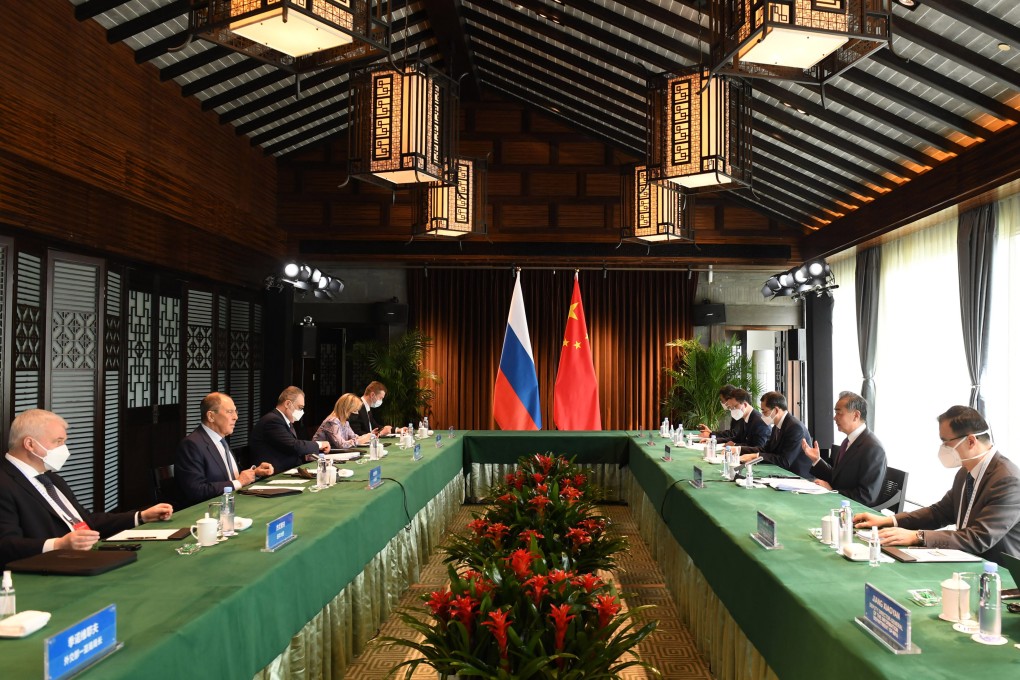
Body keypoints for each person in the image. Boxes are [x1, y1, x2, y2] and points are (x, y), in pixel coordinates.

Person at [0, 409, 174, 567]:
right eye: (58, 441)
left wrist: (140, 516)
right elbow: (6, 545)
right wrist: (58, 544)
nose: (64, 449)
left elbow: (87, 521)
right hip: (47, 568)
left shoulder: (51, 478)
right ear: (30, 444)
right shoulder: (5, 483)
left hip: (86, 558)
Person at [854, 406, 1020, 563]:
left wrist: (918, 536)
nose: (943, 448)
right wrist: (889, 520)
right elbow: (939, 512)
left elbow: (979, 537)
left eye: (946, 442)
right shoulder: (965, 471)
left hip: (997, 571)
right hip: (965, 559)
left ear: (970, 441)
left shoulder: (1008, 480)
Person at [175, 393, 275, 507]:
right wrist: (239, 482)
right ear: (211, 416)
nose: (235, 417)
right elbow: (196, 491)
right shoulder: (191, 445)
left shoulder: (221, 440)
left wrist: (254, 473)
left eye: (235, 411)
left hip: (232, 503)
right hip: (208, 510)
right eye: (229, 412)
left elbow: (229, 477)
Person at [800, 391, 887, 505]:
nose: (834, 418)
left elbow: (866, 496)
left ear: (856, 415)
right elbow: (837, 477)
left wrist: (832, 491)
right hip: (836, 502)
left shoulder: (873, 449)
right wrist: (816, 460)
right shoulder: (848, 441)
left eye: (839, 413)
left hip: (851, 510)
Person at [248, 386, 330, 473]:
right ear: (287, 404)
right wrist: (320, 444)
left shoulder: (284, 420)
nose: (301, 412)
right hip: (274, 474)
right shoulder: (272, 421)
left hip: (287, 469)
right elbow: (294, 446)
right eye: (300, 407)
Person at [738, 391, 813, 478]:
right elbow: (766, 449)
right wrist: (739, 450)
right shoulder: (777, 426)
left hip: (798, 477)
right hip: (781, 473)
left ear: (776, 410)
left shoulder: (795, 427)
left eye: (764, 411)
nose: (762, 416)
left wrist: (756, 456)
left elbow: (785, 461)